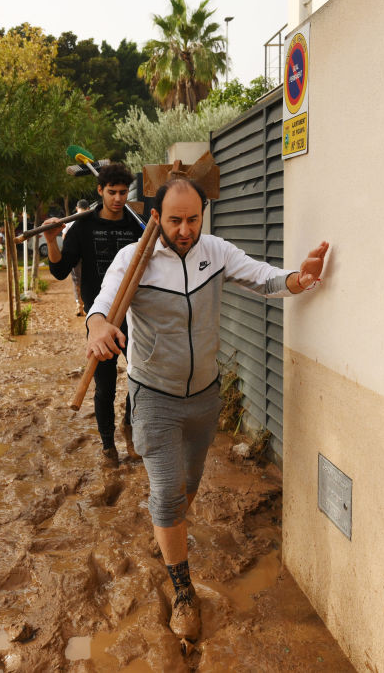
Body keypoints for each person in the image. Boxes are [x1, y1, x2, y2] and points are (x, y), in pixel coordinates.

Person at [85, 177, 329, 643]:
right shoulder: (133, 259)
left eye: (193, 219)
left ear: (203, 216)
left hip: (203, 396)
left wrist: (299, 279)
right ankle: (183, 591)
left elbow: (263, 277)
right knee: (167, 493)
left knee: (188, 485)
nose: (184, 230)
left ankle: (168, 529)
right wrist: (97, 328)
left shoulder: (215, 252)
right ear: (156, 217)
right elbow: (103, 305)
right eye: (174, 220)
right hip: (153, 395)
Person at [41, 163, 144, 467]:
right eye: (112, 192)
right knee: (105, 385)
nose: (118, 198)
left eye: (123, 192)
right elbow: (60, 270)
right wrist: (51, 240)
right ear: (100, 191)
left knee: (140, 377)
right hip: (99, 319)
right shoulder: (83, 226)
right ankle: (108, 446)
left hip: (136, 315)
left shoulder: (136, 225)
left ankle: (131, 428)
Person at [62, 199, 90, 317]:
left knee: (76, 281)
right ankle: (90, 307)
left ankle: (79, 306)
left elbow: (64, 238)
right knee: (90, 279)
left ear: (77, 208)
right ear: (88, 208)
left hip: (75, 257)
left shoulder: (70, 221)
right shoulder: (91, 219)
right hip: (89, 256)